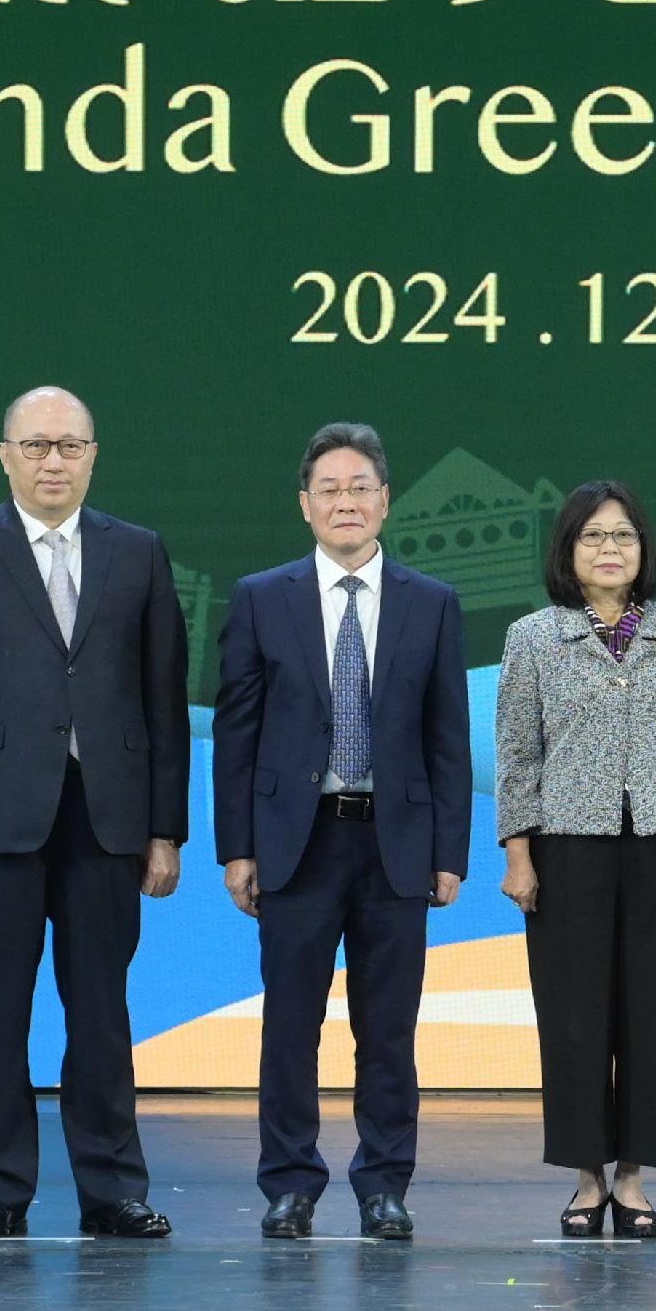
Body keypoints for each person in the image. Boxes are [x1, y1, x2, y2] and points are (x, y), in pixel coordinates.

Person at [0, 386, 189, 1242]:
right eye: (36, 446)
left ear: (94, 454)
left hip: (109, 817)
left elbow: (164, 701)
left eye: (69, 446)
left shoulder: (138, 552)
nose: (53, 461)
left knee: (102, 1011)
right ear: (4, 455)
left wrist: (165, 827)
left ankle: (112, 1189)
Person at [216, 421, 470, 1241]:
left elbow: (447, 737)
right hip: (297, 841)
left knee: (388, 1029)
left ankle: (383, 1184)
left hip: (396, 844)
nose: (347, 501)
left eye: (361, 486)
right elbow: (238, 733)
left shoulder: (432, 602)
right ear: (305, 505)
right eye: (330, 488)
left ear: (386, 500)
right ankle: (290, 1183)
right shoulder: (263, 596)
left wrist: (449, 852)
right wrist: (238, 847)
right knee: (290, 1025)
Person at [496, 481, 656, 1240]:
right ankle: (585, 1174)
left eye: (623, 536)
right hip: (565, 847)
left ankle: (633, 1176)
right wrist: (518, 852)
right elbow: (516, 751)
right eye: (593, 536)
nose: (609, 548)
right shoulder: (533, 636)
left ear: (643, 550)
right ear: (568, 550)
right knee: (573, 1016)